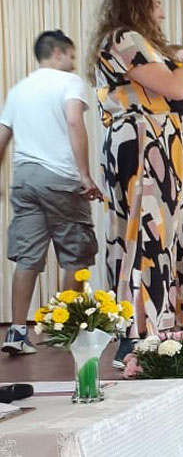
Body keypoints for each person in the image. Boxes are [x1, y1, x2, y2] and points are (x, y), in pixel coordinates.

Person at [88, 0, 183, 366]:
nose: (163, 11)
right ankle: (134, 336)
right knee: (143, 237)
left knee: (171, 241)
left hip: (171, 151)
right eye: (157, 3)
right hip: (141, 145)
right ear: (136, 4)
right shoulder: (122, 39)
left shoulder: (148, 45)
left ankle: (166, 328)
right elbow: (177, 88)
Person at [0, 31, 102, 355]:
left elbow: (2, 137)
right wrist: (85, 174)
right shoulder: (67, 82)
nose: (73, 63)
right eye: (71, 56)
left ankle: (17, 332)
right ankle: (64, 329)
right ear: (58, 53)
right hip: (60, 178)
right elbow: (75, 122)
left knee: (28, 256)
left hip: (25, 179)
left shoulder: (18, 90)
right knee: (76, 253)